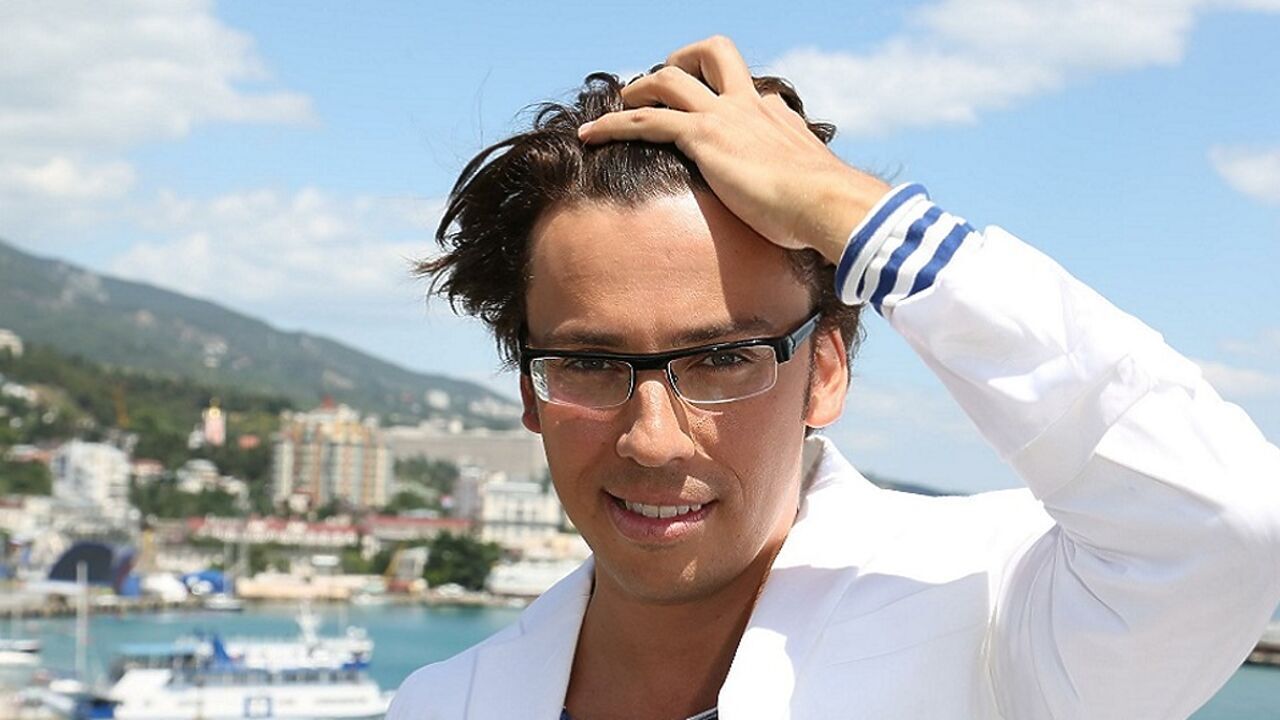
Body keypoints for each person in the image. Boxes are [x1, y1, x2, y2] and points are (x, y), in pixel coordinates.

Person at [388, 36, 1280, 720]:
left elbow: (1230, 523)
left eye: (723, 358)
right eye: (588, 364)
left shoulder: (994, 610)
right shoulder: (444, 703)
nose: (652, 440)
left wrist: (860, 216)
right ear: (529, 391)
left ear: (825, 371)